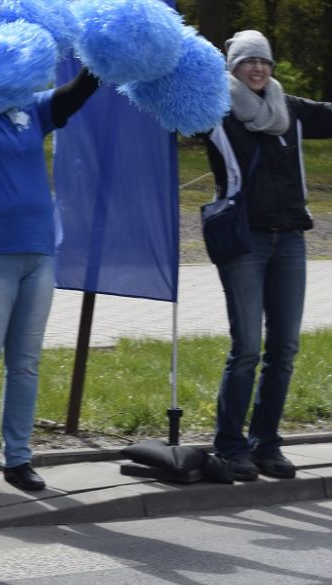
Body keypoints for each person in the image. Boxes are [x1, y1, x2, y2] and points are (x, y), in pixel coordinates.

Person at [0, 67, 100, 499]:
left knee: (26, 363)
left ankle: (17, 459)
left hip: (38, 251)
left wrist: (101, 60)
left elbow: (74, 94)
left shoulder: (31, 108)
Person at [204, 30, 332, 481]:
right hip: (244, 240)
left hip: (290, 239)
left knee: (284, 349)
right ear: (232, 68)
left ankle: (266, 444)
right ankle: (230, 446)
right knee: (246, 349)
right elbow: (170, 112)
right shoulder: (215, 108)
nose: (258, 69)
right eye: (247, 62)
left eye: (264, 61)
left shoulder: (290, 109)